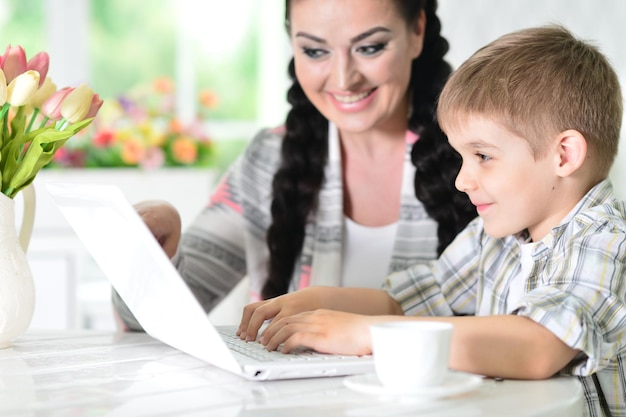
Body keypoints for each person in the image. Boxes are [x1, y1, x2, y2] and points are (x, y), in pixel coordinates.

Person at [237, 25, 626, 417]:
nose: (462, 180)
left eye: (483, 156)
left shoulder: (605, 240)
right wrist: (317, 301)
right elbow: (404, 303)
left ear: (564, 155)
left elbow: (540, 345)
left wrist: (365, 334)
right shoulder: (494, 238)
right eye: (461, 157)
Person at [113, 0, 475, 329]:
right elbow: (142, 318)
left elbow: (527, 322)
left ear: (417, 32)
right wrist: (158, 245)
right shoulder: (270, 158)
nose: (344, 78)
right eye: (315, 51)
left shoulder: (486, 156)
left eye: (369, 48)